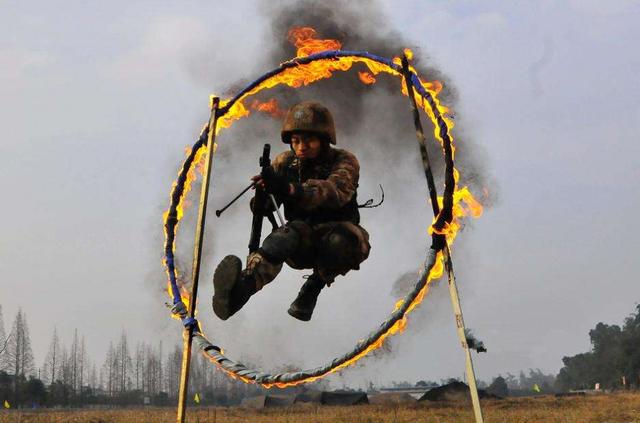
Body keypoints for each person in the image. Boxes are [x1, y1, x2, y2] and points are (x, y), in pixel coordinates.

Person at [212, 101, 371, 321]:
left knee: (344, 239)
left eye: (309, 140)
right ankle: (238, 293)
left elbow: (332, 192)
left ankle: (312, 288)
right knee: (283, 237)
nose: (301, 147)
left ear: (324, 140)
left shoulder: (344, 160)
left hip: (341, 239)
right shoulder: (285, 162)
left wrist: (288, 188)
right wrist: (265, 193)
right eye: (296, 141)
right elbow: (264, 207)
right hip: (302, 240)